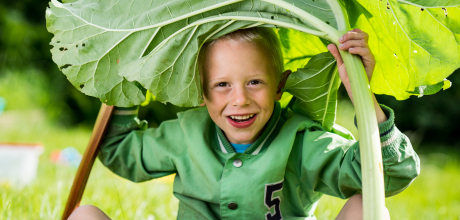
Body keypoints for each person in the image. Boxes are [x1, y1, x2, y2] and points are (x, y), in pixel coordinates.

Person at [68, 27, 419, 220]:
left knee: (367, 210)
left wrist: (361, 93)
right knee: (84, 216)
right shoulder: (186, 134)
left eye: (255, 82)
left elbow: (392, 173)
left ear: (280, 86)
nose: (239, 100)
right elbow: (119, 150)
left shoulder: (301, 140)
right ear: (202, 93)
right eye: (222, 85)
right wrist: (126, 76)